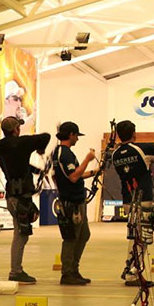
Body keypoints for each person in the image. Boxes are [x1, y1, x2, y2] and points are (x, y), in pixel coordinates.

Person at [112, 120, 154, 286]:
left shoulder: (115, 154)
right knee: (143, 238)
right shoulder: (142, 148)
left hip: (127, 200)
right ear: (134, 134)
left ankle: (130, 268)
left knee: (135, 237)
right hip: (142, 199)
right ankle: (133, 274)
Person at [0, 116, 50, 284]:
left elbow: (18, 165)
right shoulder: (22, 143)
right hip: (20, 198)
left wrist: (36, 170)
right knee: (20, 235)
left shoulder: (1, 147)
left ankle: (16, 269)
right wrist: (40, 149)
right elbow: (46, 136)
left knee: (20, 233)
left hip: (13, 194)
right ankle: (15, 271)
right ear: (15, 130)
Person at [52, 121, 99, 286]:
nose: (77, 139)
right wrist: (88, 159)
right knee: (71, 237)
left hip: (76, 200)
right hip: (71, 203)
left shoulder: (62, 153)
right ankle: (67, 273)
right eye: (76, 136)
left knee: (84, 234)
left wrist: (94, 172)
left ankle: (74, 269)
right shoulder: (64, 154)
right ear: (71, 135)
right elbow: (73, 177)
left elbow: (70, 176)